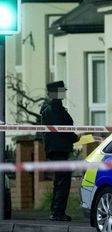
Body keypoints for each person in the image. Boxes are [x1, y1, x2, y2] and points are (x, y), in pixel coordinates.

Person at [40, 81, 78, 222]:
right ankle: (57, 212)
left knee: (61, 181)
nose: (64, 93)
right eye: (61, 91)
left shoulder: (53, 107)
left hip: (58, 148)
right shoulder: (52, 108)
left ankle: (56, 211)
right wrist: (74, 138)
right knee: (62, 181)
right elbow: (62, 128)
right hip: (58, 149)